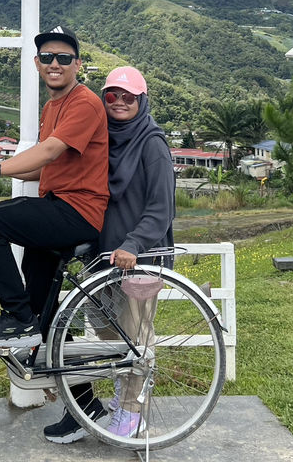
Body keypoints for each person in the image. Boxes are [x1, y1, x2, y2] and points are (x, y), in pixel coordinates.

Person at [0, 25, 109, 354]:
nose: (55, 64)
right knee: (44, 312)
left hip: (76, 212)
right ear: (37, 63)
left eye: (64, 58)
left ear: (77, 65)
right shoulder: (52, 107)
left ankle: (15, 316)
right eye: (48, 57)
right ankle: (85, 403)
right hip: (58, 208)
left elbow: (50, 151)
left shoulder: (85, 102)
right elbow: (42, 167)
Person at [43, 65, 175, 444]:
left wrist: (133, 244)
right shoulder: (103, 141)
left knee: (135, 338)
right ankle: (108, 403)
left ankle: (132, 414)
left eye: (128, 97)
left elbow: (160, 209)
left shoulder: (152, 144)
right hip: (102, 261)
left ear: (142, 101)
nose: (119, 103)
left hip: (139, 260)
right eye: (112, 95)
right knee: (106, 337)